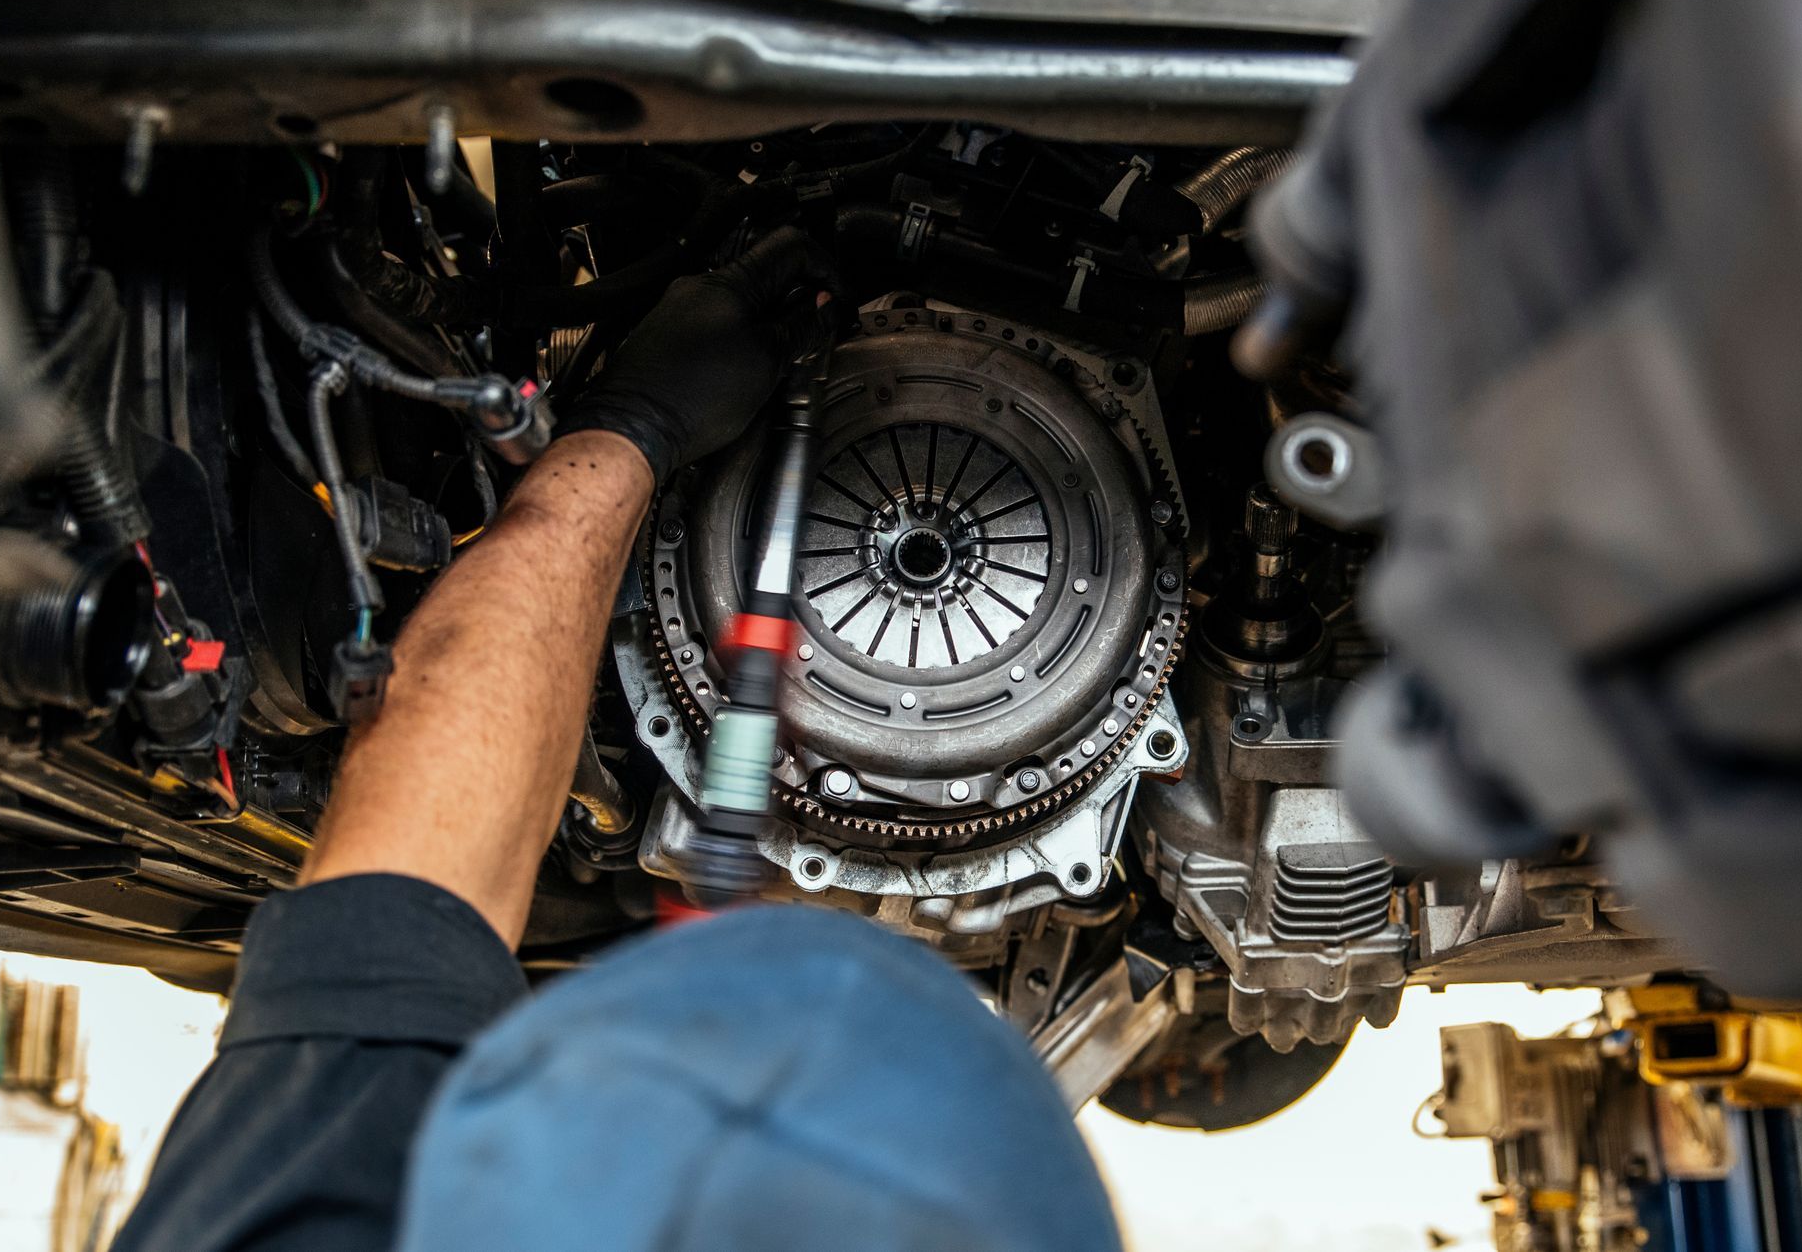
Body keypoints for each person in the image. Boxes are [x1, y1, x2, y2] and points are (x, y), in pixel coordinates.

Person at [111, 229, 1123, 1252]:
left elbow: (402, 899)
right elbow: (397, 909)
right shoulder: (324, 1200)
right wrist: (629, 433)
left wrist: (633, 426)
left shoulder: (322, 1207)